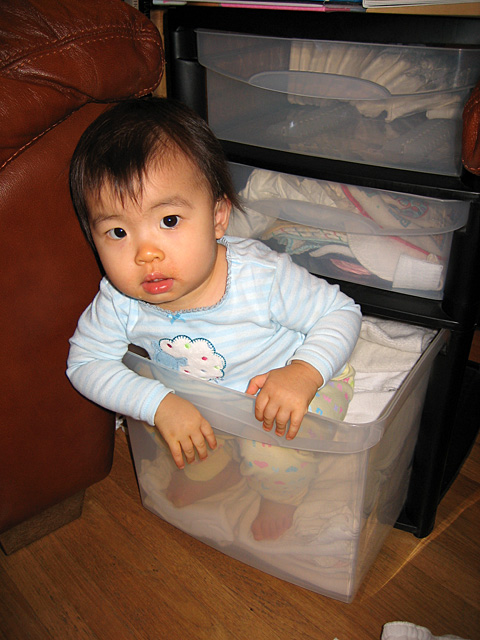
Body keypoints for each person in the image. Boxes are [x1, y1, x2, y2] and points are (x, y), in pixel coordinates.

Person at [67, 96, 362, 541]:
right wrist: (157, 403)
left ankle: (280, 495)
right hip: (209, 399)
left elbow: (340, 313)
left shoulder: (261, 278)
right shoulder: (120, 300)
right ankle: (220, 468)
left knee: (273, 455)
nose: (145, 253)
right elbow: (85, 362)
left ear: (218, 217)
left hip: (294, 384)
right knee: (168, 423)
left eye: (169, 220)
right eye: (118, 232)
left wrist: (304, 371)